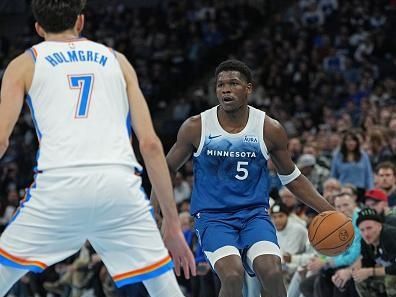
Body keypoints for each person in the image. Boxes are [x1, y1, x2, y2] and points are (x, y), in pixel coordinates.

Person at [0, 1, 196, 296]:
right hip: (119, 185)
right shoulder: (118, 61)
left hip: (60, 184)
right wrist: (170, 222)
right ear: (80, 22)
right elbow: (151, 144)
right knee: (164, 288)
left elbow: (1, 140)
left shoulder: (25, 63)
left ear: (38, 28)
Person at [151, 59, 334, 297]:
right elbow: (165, 169)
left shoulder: (269, 128)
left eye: (233, 83)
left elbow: (292, 177)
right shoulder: (196, 126)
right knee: (233, 275)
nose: (225, 89)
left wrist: (328, 210)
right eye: (220, 85)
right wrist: (155, 212)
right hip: (213, 217)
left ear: (249, 88)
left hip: (254, 215)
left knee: (272, 271)